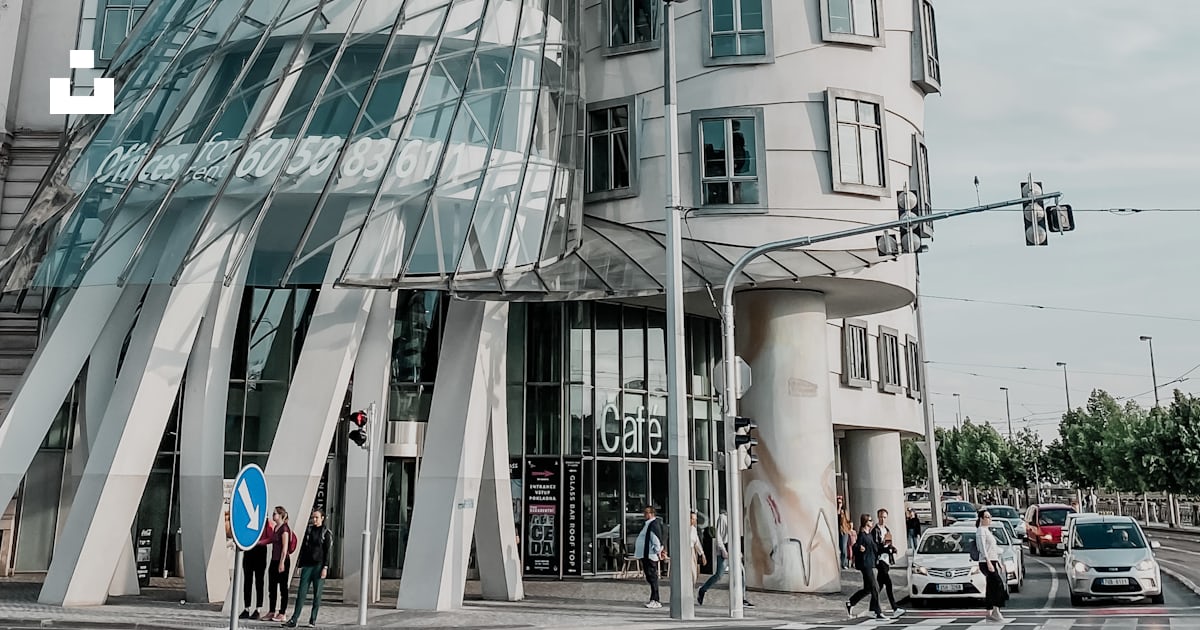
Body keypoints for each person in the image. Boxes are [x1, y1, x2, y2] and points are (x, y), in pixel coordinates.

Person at [286, 509, 333, 628]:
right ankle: (294, 619)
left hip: (319, 566)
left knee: (317, 594)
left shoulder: (326, 533)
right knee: (301, 593)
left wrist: (325, 567)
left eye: (316, 517)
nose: (314, 520)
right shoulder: (309, 530)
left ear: (322, 518)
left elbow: (327, 552)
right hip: (308, 565)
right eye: (313, 518)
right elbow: (304, 549)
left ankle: (313, 619)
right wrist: (300, 565)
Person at [697, 510, 754, 608]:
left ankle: (742, 598)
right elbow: (718, 536)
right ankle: (703, 589)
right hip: (725, 549)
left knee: (741, 573)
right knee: (719, 575)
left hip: (733, 549)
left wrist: (739, 551)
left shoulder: (735, 518)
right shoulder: (723, 518)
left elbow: (735, 537)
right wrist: (722, 550)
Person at [846, 514, 885, 620]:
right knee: (875, 587)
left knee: (868, 589)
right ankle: (877, 612)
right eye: (870, 520)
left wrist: (885, 548)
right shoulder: (862, 535)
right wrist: (859, 547)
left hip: (870, 563)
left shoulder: (869, 534)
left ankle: (851, 602)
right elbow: (855, 547)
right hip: (865, 564)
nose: (872, 522)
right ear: (866, 522)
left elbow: (875, 548)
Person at [239, 509, 274, 620]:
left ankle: (258, 608)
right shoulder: (249, 522)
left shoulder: (267, 523)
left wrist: (260, 542)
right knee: (247, 581)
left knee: (259, 581)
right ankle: (246, 607)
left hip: (260, 550)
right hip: (249, 550)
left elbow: (271, 538)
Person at [976, 510, 1007, 622]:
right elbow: (982, 548)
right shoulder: (981, 531)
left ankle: (989, 610)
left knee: (991, 585)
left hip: (992, 561)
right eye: (987, 517)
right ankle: (995, 609)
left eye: (990, 517)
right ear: (981, 519)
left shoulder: (987, 531)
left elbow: (993, 549)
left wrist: (998, 562)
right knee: (997, 584)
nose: (989, 519)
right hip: (986, 562)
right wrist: (988, 561)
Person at [872, 509, 904, 616]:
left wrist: (892, 549)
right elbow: (876, 547)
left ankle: (872, 608)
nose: (883, 519)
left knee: (879, 586)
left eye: (884, 517)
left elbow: (888, 544)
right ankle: (894, 608)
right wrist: (886, 549)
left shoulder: (886, 529)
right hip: (880, 560)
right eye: (881, 517)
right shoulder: (875, 530)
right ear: (878, 517)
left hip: (886, 559)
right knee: (888, 584)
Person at [266, 506, 296, 622]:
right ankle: (271, 611)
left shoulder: (284, 529)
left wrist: (282, 562)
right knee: (272, 587)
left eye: (275, 514)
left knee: (283, 587)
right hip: (274, 560)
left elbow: (285, 547)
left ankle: (282, 613)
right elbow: (271, 540)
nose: (273, 516)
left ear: (280, 515)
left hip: (282, 560)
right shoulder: (276, 528)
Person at [634, 506, 665, 609]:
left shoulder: (653, 525)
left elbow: (655, 540)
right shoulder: (648, 524)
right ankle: (653, 598)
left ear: (651, 513)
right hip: (646, 554)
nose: (644, 514)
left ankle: (656, 599)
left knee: (652, 577)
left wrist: (658, 551)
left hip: (650, 555)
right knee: (650, 577)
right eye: (644, 512)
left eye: (647, 512)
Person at [688, 511, 706, 584]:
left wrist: (702, 554)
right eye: (692, 519)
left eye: (695, 519)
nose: (694, 521)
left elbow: (697, 542)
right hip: (685, 551)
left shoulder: (693, 529)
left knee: (693, 572)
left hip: (691, 551)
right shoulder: (685, 528)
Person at [838, 497, 854, 570]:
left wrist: (849, 529)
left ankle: (844, 563)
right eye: (838, 502)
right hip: (837, 531)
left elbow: (848, 520)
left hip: (844, 531)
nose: (839, 504)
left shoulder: (844, 512)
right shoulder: (836, 510)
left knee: (844, 548)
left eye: (840, 502)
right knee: (840, 548)